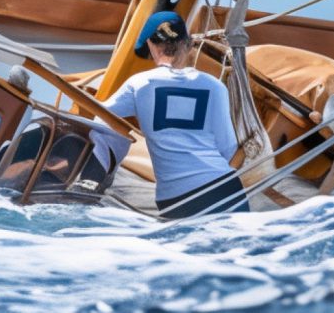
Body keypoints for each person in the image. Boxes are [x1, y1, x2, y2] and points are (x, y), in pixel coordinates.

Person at [100, 11, 244, 218]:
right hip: (222, 188)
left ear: (151, 45)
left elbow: (100, 118)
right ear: (188, 44)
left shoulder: (139, 84)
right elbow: (228, 148)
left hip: (174, 197)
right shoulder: (214, 86)